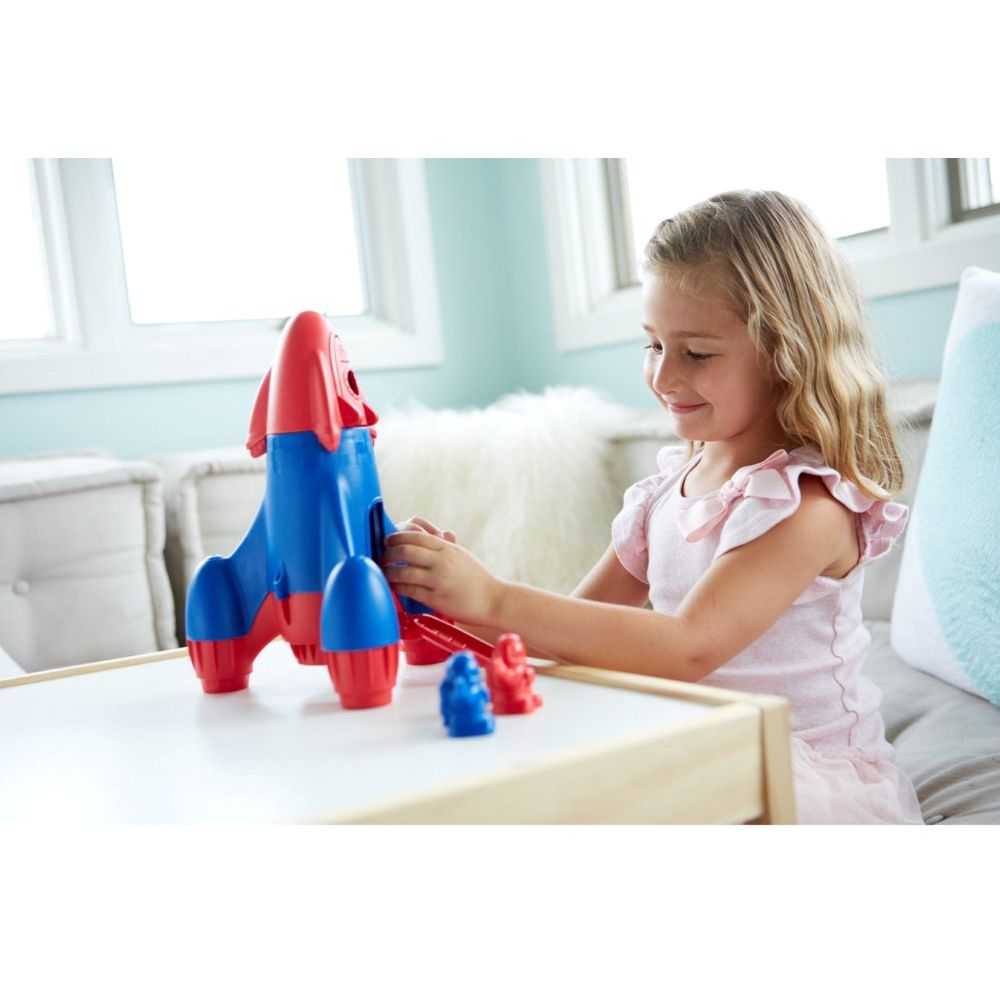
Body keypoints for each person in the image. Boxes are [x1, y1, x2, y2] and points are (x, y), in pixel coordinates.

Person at [382, 189, 923, 825]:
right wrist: (444, 600)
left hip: (795, 768)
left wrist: (493, 598)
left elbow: (688, 647)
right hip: (700, 746)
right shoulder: (667, 491)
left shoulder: (807, 505)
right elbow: (572, 635)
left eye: (696, 353)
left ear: (788, 351)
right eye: (653, 345)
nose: (663, 378)